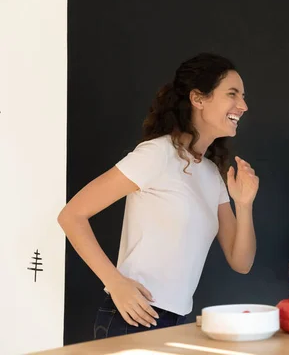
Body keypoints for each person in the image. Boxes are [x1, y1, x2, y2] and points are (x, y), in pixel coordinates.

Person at [57, 53, 259, 338]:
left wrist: (244, 204)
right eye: (232, 94)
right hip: (132, 318)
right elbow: (72, 215)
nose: (243, 105)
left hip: (176, 321)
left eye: (243, 96)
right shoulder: (157, 154)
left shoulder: (212, 174)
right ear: (198, 99)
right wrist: (115, 283)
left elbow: (242, 263)